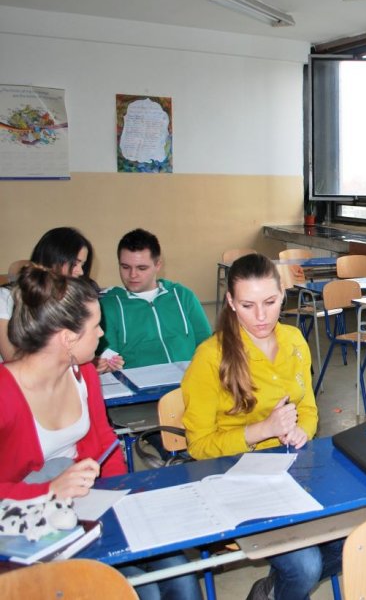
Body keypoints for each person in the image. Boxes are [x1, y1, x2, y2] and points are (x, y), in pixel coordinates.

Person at [0, 265, 200, 600]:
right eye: (95, 326)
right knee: (142, 589)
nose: (102, 333)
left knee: (180, 573)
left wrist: (124, 501)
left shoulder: (83, 374)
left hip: (85, 506)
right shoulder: (6, 392)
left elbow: (104, 444)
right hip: (27, 527)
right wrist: (50, 489)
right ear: (67, 338)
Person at [180, 253, 341, 600]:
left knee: (357, 533)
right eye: (248, 305)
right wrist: (262, 430)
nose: (262, 316)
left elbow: (308, 408)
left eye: (270, 302)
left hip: (294, 469)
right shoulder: (210, 357)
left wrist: (302, 430)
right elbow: (199, 446)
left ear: (283, 294)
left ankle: (273, 590)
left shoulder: (294, 340)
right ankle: (281, 587)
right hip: (232, 478)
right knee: (305, 566)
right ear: (230, 302)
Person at [97, 229, 212, 371]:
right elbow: (108, 358)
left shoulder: (182, 296)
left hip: (188, 378)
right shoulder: (108, 306)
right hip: (139, 382)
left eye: (142, 268)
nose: (132, 275)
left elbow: (207, 345)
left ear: (158, 265)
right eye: (125, 267)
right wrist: (107, 366)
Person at [1, 227, 95, 364]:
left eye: (83, 264)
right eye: (75, 263)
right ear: (54, 260)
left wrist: (89, 361)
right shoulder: (6, 298)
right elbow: (12, 359)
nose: (80, 271)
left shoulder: (71, 299)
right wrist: (73, 361)